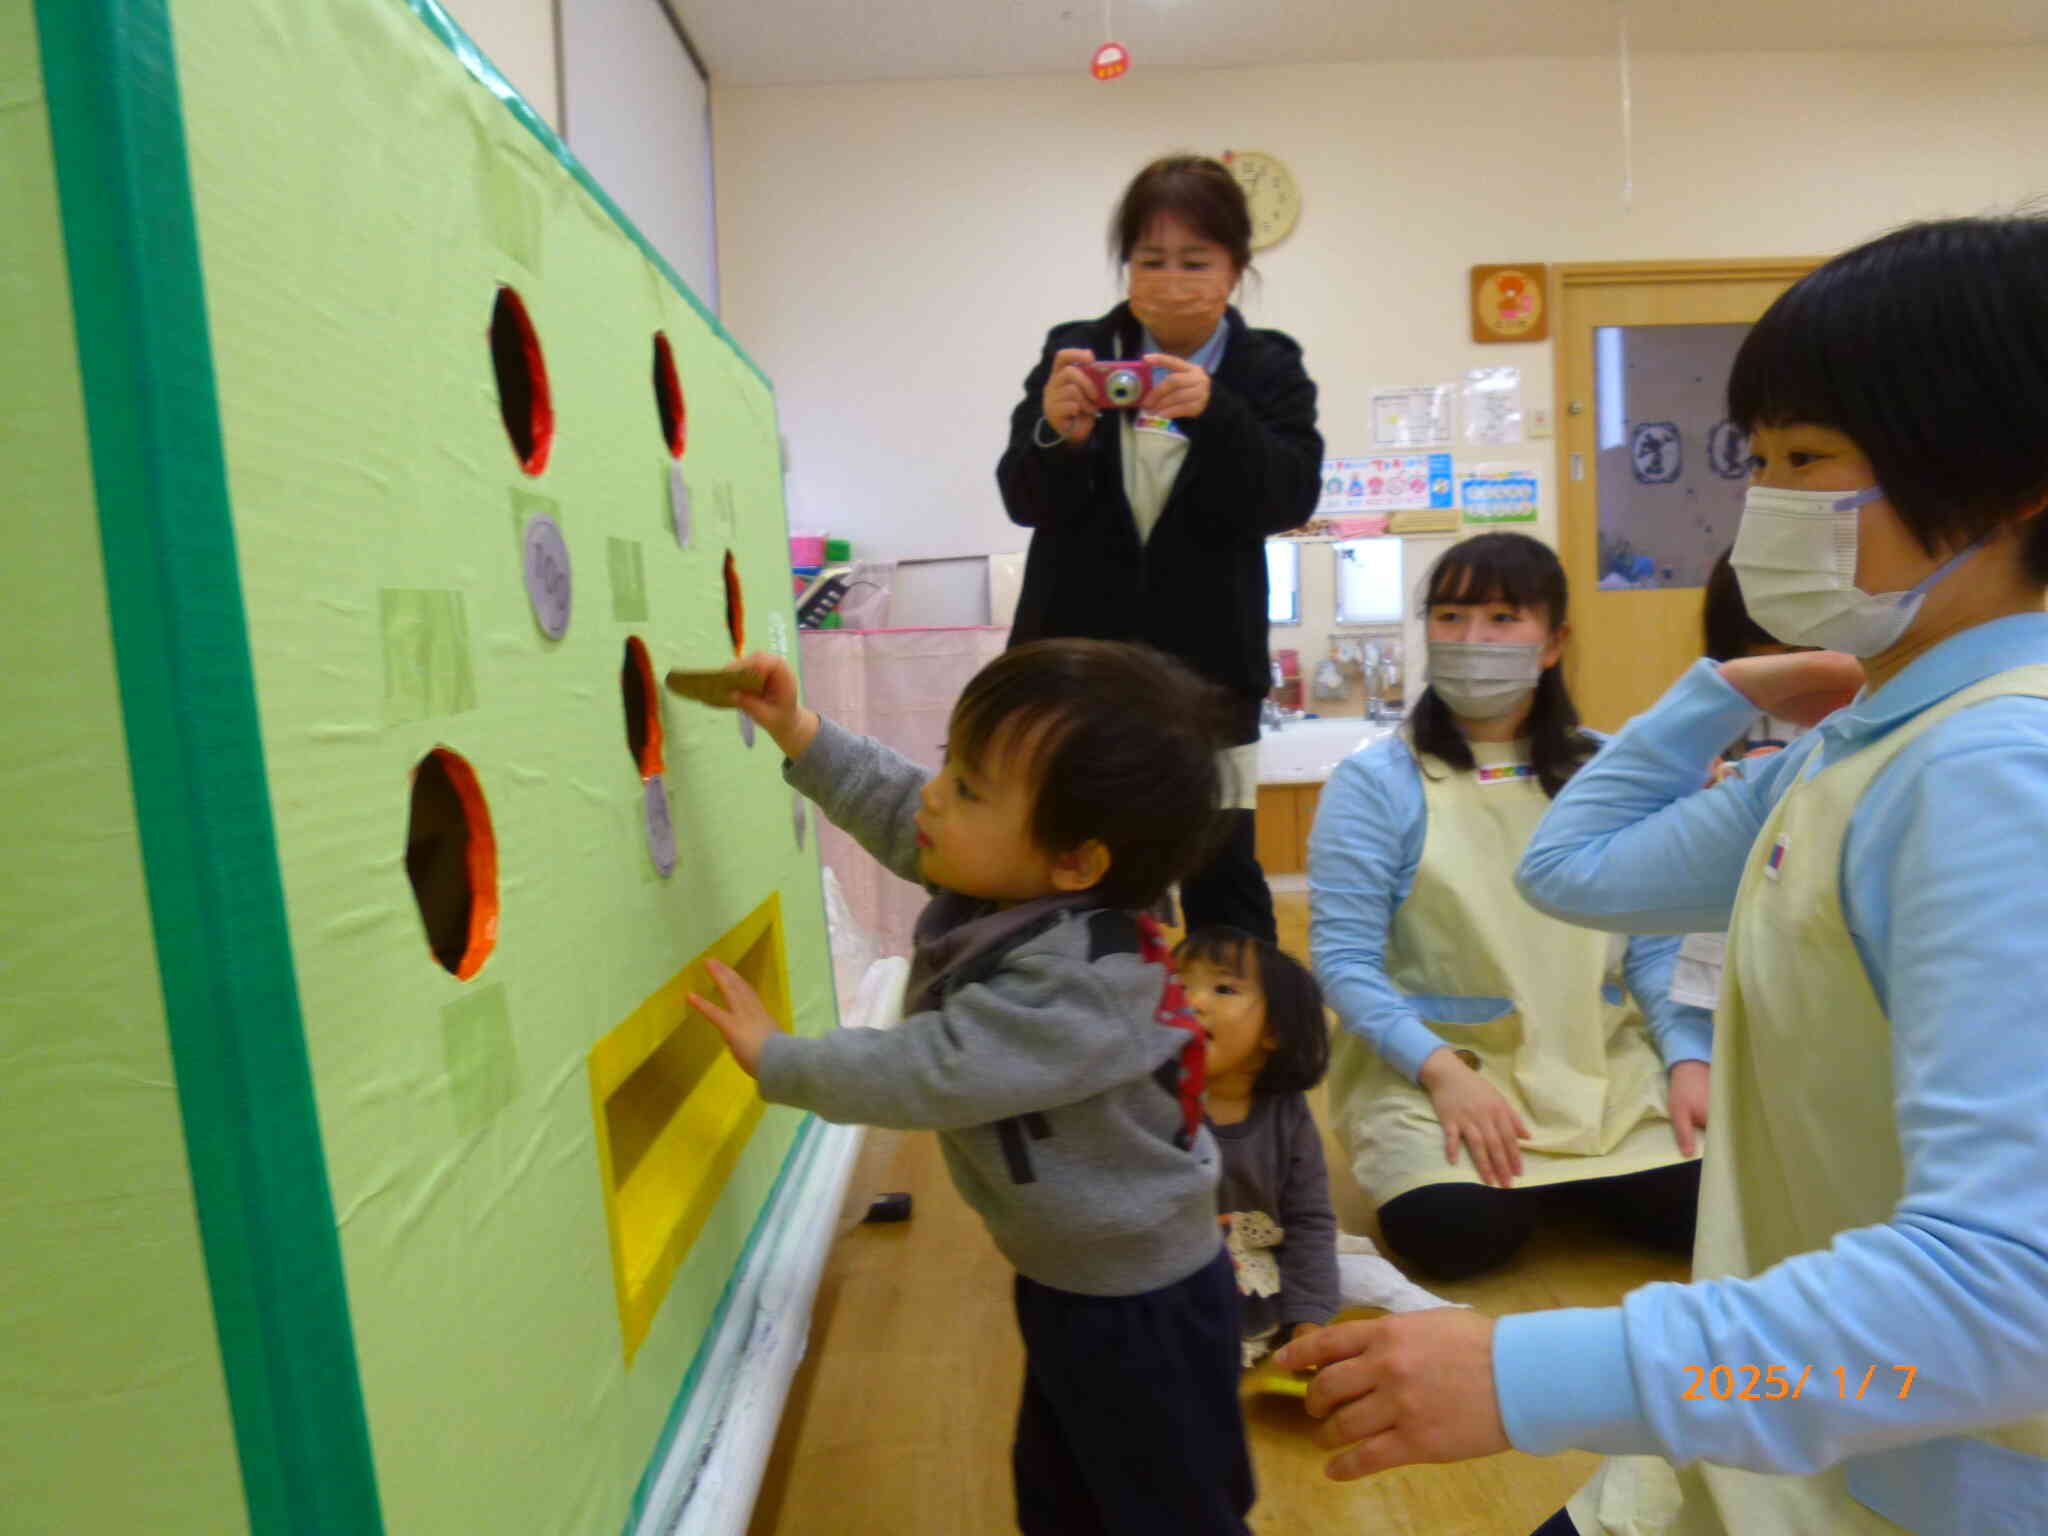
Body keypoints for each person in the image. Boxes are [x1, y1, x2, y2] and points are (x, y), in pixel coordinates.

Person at [1275, 215, 2048, 1536]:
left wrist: (1543, 1370)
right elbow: (1580, 875)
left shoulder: (1995, 774)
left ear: (2012, 482)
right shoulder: (1868, 742)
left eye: (1808, 461)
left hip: (1887, 1477)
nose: (1766, 511)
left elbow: (2007, 1297)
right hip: (1760, 1440)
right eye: (1760, 466)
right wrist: (1717, 695)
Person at [687, 637, 1255, 1535]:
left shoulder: (1084, 983)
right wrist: (799, 730)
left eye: (969, 787)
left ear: (1077, 861)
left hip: (1139, 1300)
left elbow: (931, 1069)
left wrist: (781, 1058)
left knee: (1169, 1508)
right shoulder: (1012, 881)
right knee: (1063, 1488)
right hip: (1073, 1275)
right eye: (953, 763)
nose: (934, 795)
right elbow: (891, 801)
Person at [1308, 532, 1708, 1282]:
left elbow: (1656, 946)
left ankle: (1583, 1177)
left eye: (1501, 618)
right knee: (1456, 1237)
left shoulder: (1612, 770)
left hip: (1598, 1065)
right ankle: (1547, 1185)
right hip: (1436, 1070)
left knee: (1697, 1215)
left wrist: (1689, 1058)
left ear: (1553, 642)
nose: (1472, 639)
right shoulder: (1375, 784)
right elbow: (1342, 962)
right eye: (1452, 617)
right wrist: (1443, 1072)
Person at [997, 153, 1324, 944]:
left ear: (1236, 269)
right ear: (1125, 266)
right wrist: (1057, 432)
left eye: (1195, 260)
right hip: (1079, 669)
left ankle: (1249, 1058)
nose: (1172, 279)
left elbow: (1288, 498)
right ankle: (1100, 1043)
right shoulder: (1077, 350)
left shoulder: (1267, 367)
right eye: (1150, 260)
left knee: (1223, 878)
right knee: (1086, 871)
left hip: (1210, 678)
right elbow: (1023, 498)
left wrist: (1219, 414)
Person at [1177, 925, 1340, 1366]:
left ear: (1274, 1032)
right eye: (1174, 985)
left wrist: (1309, 1321)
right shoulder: (1152, 1104)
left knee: (1377, 1291)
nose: (1191, 1002)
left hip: (1262, 1264)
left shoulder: (1287, 1113)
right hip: (1174, 1279)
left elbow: (1308, 1219)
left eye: (1223, 987)